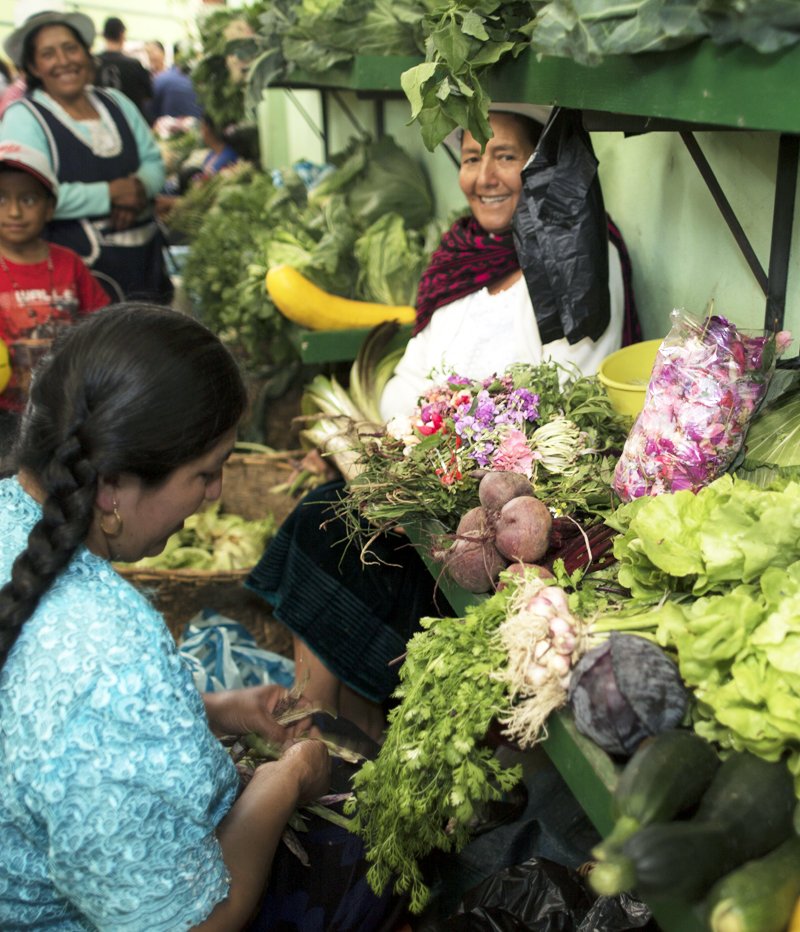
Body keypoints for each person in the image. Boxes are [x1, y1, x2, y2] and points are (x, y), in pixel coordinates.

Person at [0, 304, 397, 930]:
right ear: (110, 489)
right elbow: (196, 923)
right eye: (204, 475)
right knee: (377, 849)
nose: (214, 497)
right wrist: (287, 779)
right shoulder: (110, 655)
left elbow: (46, 730)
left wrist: (209, 710)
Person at [246, 105, 635, 741]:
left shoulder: (577, 255)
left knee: (336, 533)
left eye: (506, 156)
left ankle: (330, 739)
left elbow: (566, 397)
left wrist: (442, 422)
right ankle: (328, 733)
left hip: (507, 506)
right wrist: (437, 423)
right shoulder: (461, 254)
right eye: (471, 157)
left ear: (540, 166)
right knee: (324, 520)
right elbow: (404, 385)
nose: (485, 175)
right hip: (432, 482)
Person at [0, 10, 172, 303]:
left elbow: (154, 162)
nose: (64, 61)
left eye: (71, 48)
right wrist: (110, 194)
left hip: (144, 261)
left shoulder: (116, 102)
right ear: (33, 66)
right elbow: (24, 197)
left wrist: (138, 189)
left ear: (86, 53)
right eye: (48, 54)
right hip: (74, 279)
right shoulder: (25, 118)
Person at [0, 139, 109, 454]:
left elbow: (102, 326)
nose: (15, 211)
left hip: (66, 412)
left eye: (29, 199)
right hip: (5, 416)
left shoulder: (67, 263)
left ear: (50, 208)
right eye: (2, 198)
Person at [95, 16, 153, 121]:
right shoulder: (134, 64)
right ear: (122, 35)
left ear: (104, 36)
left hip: (101, 121)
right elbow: (149, 94)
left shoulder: (93, 63)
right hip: (130, 122)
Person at [150, 42, 202, 121]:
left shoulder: (162, 79)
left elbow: (152, 110)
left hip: (169, 130)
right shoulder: (202, 82)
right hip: (198, 129)